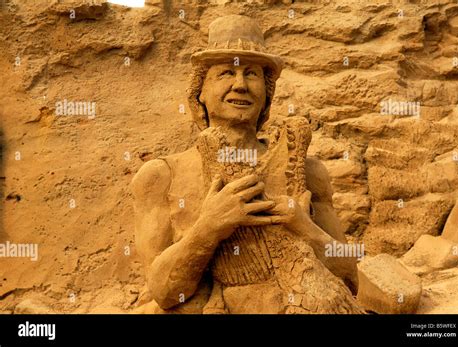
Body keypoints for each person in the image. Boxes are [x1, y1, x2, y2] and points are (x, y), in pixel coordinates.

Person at [132, 15, 362, 314]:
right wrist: (209, 228)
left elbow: (349, 277)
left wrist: (303, 226)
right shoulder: (161, 175)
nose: (240, 85)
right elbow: (164, 293)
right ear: (199, 91)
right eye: (226, 73)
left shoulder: (307, 171)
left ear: (267, 92)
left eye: (251, 74)